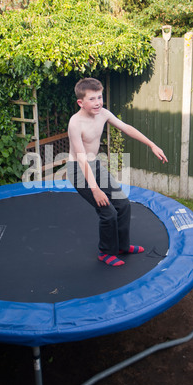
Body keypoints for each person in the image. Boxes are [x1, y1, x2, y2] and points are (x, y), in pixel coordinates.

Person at [67, 77, 168, 267]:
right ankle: (105, 252)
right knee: (108, 212)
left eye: (99, 97)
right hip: (79, 171)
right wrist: (95, 189)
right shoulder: (75, 123)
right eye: (92, 99)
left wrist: (152, 145)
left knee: (123, 203)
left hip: (94, 165)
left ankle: (122, 246)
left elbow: (126, 128)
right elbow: (81, 158)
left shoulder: (103, 113)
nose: (98, 103)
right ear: (80, 102)